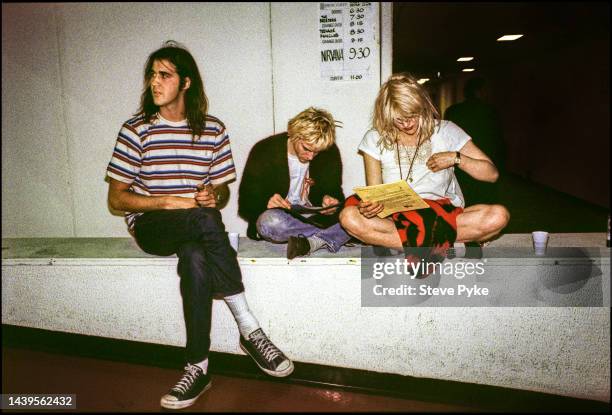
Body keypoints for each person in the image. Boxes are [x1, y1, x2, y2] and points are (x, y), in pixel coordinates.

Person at [106, 41, 293, 410]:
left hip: (197, 227)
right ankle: (249, 328)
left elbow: (222, 192)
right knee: (203, 220)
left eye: (164, 75)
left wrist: (213, 195)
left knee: (194, 256)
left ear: (186, 83)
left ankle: (198, 366)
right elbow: (116, 200)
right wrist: (169, 201)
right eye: (151, 76)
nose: (153, 83)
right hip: (152, 225)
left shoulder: (212, 130)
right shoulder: (136, 129)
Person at [339, 73, 509, 267]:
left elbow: (492, 175)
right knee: (349, 217)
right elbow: (375, 193)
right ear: (386, 116)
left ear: (423, 106)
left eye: (413, 116)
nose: (408, 124)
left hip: (442, 215)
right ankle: (448, 246)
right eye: (399, 120)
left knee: (498, 216)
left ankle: (400, 244)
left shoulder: (445, 130)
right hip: (398, 217)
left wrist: (456, 158)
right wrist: (372, 207)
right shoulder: (374, 138)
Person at [238, 107, 351, 259]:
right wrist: (266, 202)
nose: (311, 156)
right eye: (306, 148)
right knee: (269, 222)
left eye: (316, 152)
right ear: (293, 134)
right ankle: (334, 236)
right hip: (282, 219)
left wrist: (331, 201)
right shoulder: (264, 150)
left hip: (315, 219)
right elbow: (245, 204)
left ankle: (313, 242)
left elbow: (336, 193)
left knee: (353, 213)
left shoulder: (328, 152)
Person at [444, 76, 505, 205]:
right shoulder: (489, 110)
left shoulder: (453, 110)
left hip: (460, 163)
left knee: (464, 198)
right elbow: (497, 138)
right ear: (479, 91)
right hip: (484, 159)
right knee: (485, 199)